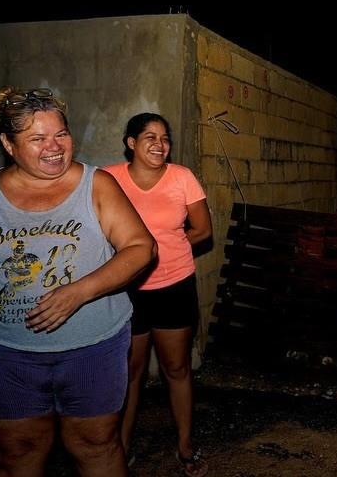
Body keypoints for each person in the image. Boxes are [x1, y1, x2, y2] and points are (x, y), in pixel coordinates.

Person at [0, 87, 155, 476]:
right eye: (37, 138)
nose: (54, 147)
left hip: (92, 347)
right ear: (8, 143)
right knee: (18, 452)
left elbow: (140, 248)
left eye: (61, 135)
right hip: (4, 352)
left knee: (96, 446)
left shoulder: (97, 184)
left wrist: (78, 292)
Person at [105, 113, 211, 477]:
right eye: (149, 136)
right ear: (130, 143)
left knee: (176, 368)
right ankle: (121, 447)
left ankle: (184, 445)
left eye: (165, 138)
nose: (159, 144)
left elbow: (202, 230)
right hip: (126, 288)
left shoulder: (182, 178)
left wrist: (164, 250)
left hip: (174, 284)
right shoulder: (109, 180)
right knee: (129, 372)